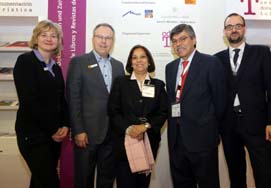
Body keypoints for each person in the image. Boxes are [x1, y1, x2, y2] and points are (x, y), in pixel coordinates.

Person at [215, 13, 271, 188]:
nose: (234, 29)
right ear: (224, 32)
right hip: (228, 127)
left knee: (265, 176)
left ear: (244, 29)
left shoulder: (261, 52)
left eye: (238, 25)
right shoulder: (216, 59)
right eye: (229, 27)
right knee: (236, 176)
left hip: (258, 125)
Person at [165, 24, 226, 188]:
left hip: (203, 140)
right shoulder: (170, 68)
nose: (178, 44)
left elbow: (220, 102)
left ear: (194, 40)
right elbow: (173, 101)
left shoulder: (210, 63)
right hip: (177, 141)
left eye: (183, 38)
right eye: (174, 41)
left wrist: (211, 130)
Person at [66, 23, 124, 188]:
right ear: (93, 39)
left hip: (111, 135)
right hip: (86, 134)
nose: (104, 41)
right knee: (84, 179)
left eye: (108, 38)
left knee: (106, 179)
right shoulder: (79, 62)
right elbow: (73, 98)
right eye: (100, 37)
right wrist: (78, 130)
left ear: (113, 41)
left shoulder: (119, 66)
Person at [13, 20, 69, 188]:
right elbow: (30, 102)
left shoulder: (56, 68)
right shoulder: (25, 61)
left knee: (39, 182)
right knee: (49, 182)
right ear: (36, 38)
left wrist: (65, 124)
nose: (49, 39)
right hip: (33, 136)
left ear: (59, 41)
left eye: (54, 36)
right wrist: (53, 129)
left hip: (53, 136)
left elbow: (61, 100)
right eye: (44, 35)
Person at [108, 44, 168, 188]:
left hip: (148, 142)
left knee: (143, 184)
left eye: (142, 56)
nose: (138, 60)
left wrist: (145, 126)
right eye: (134, 57)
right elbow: (113, 111)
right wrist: (129, 129)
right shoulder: (120, 82)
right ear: (130, 62)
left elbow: (163, 112)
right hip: (125, 144)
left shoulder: (158, 85)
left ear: (149, 61)